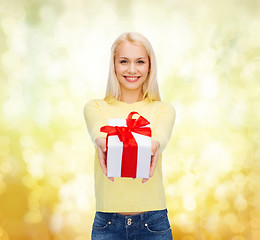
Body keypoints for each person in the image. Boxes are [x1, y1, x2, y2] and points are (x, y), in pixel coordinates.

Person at [84, 32, 176, 240]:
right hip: (107, 224)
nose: (132, 69)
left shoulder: (164, 109)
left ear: (149, 66)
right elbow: (98, 131)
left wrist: (154, 146)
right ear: (114, 65)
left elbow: (160, 137)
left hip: (153, 223)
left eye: (140, 62)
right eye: (124, 61)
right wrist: (101, 142)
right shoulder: (95, 107)